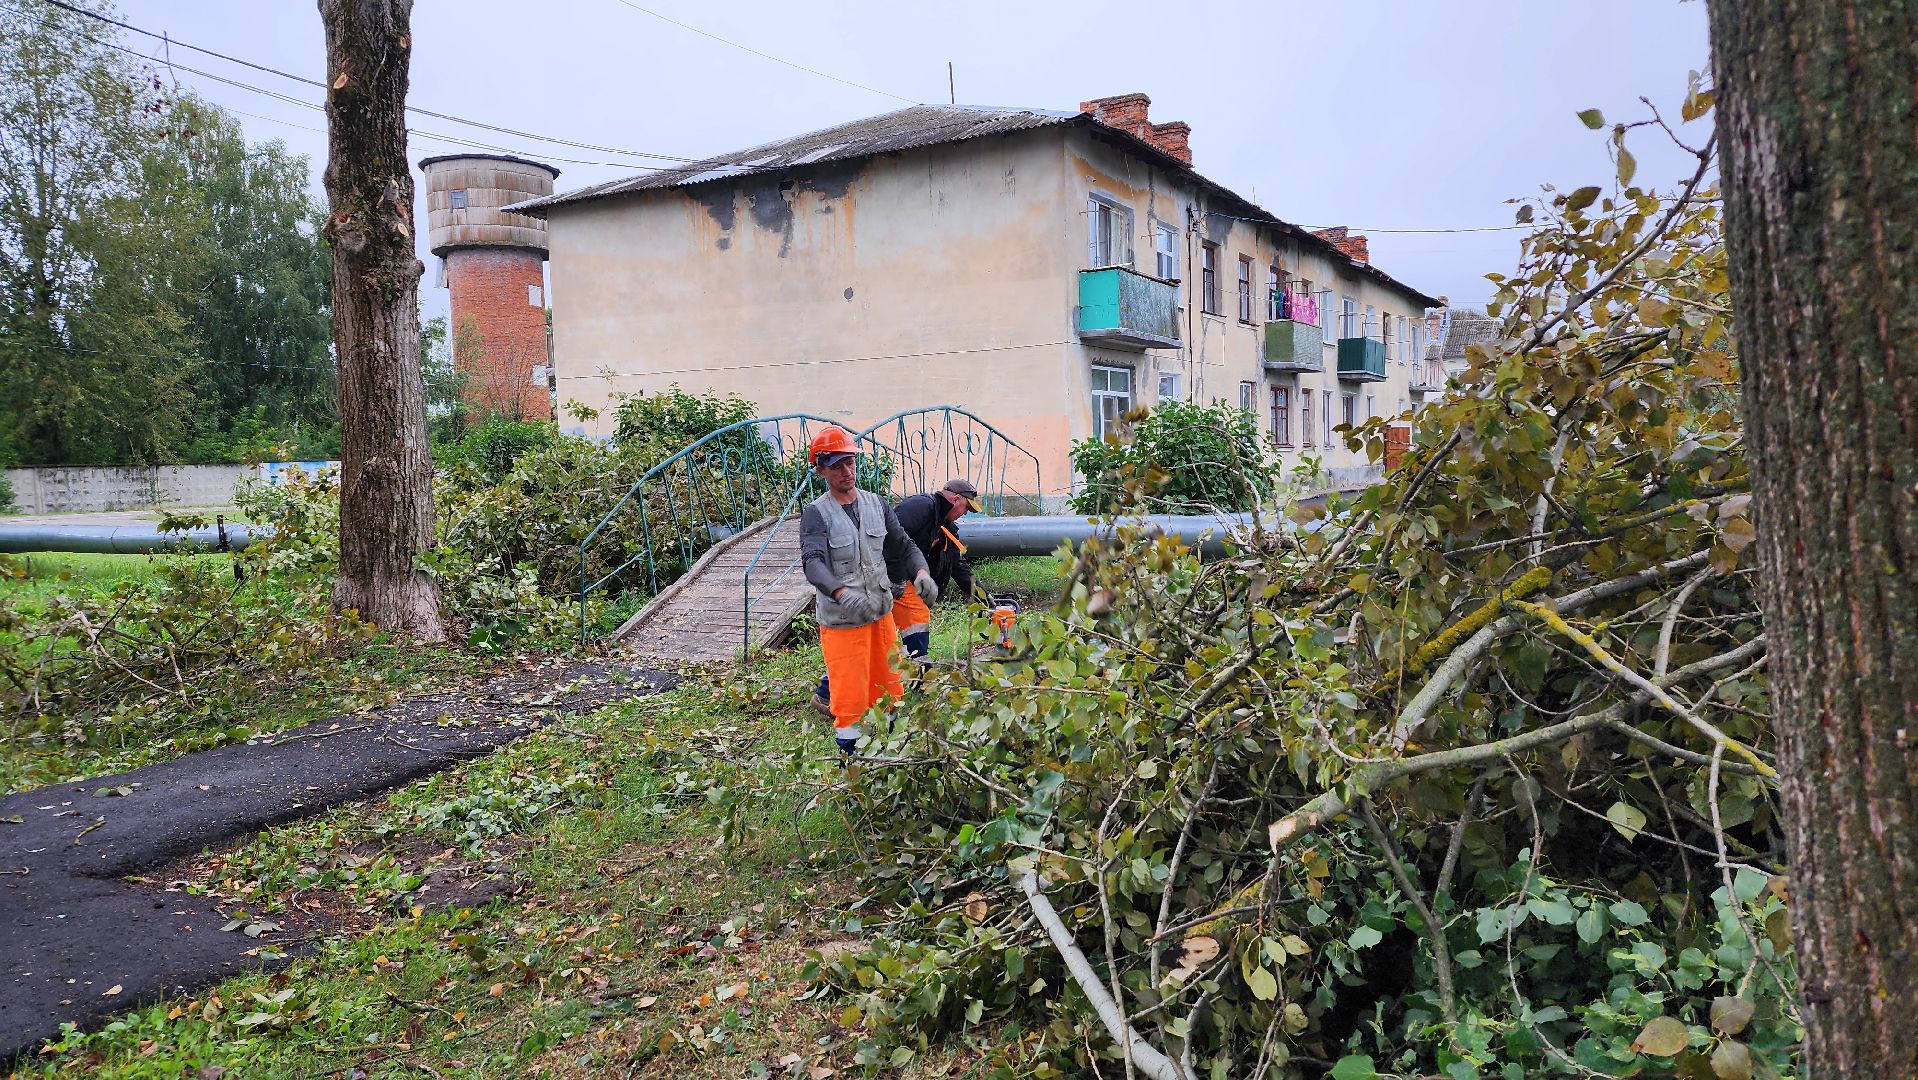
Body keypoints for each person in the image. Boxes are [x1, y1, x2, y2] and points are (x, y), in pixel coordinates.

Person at [799, 426, 935, 755]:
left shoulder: (876, 504)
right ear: (821, 470)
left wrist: (921, 571)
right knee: (850, 702)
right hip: (843, 625)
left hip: (881, 615)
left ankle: (892, 757)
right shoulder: (817, 514)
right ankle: (853, 768)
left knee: (891, 689)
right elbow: (812, 562)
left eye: (850, 462)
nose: (847, 471)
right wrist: (840, 593)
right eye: (837, 466)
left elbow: (904, 544)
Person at [810, 478, 982, 713]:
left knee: (883, 638)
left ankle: (918, 677)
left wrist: (982, 596)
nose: (965, 513)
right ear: (955, 499)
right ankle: (828, 693)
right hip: (879, 580)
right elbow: (891, 540)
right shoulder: (921, 507)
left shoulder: (945, 527)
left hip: (901, 581)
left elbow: (959, 566)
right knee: (875, 635)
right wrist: (896, 577)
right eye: (966, 507)